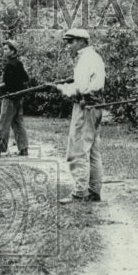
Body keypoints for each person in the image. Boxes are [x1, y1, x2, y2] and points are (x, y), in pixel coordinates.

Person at [54, 28, 106, 204]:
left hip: (85, 105)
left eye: (71, 41)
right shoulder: (95, 57)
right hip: (97, 106)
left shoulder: (85, 59)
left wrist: (62, 89)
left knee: (78, 149)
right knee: (92, 150)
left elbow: (80, 88)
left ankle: (80, 192)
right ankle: (94, 189)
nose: (68, 45)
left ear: (82, 41)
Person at [0, 40, 30, 157]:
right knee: (18, 123)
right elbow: (25, 79)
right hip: (19, 98)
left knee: (3, 123)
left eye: (6, 49)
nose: (4, 51)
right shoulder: (19, 63)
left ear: (13, 51)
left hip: (9, 98)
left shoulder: (8, 65)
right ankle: (23, 149)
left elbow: (7, 84)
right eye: (3, 49)